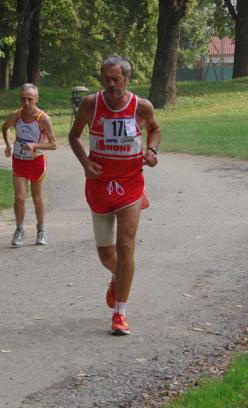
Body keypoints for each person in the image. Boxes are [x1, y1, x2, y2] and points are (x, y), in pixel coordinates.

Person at [68, 54, 161, 335]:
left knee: (125, 245)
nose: (110, 84)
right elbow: (73, 136)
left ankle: (120, 313)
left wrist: (152, 151)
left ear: (127, 79)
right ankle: (117, 276)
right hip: (100, 185)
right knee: (107, 255)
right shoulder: (90, 104)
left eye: (116, 79)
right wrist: (86, 163)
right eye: (106, 79)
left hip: (130, 183)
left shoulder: (141, 107)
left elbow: (155, 129)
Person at [2, 83, 57, 247]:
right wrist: (8, 144)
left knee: (37, 198)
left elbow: (54, 144)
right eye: (23, 99)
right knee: (19, 197)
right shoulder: (15, 116)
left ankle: (41, 230)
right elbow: (5, 127)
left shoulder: (43, 119)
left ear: (36, 99)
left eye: (30, 99)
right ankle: (19, 230)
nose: (26, 103)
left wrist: (36, 145)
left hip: (37, 162)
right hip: (19, 161)